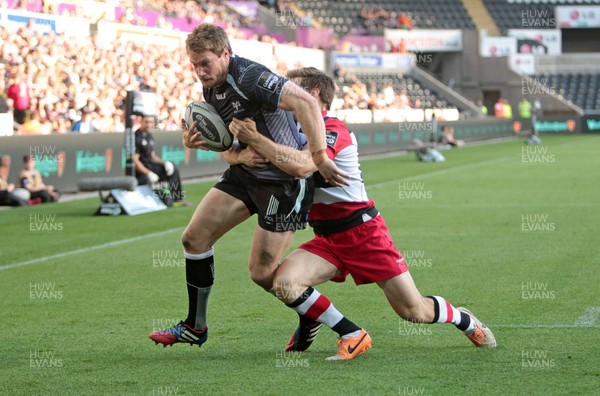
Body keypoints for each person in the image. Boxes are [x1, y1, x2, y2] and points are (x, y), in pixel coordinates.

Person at [228, 67, 496, 360]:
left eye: (293, 90)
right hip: (326, 238)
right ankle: (349, 332)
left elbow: (303, 165)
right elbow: (242, 156)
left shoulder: (332, 128)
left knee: (414, 311)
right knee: (285, 283)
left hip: (362, 232)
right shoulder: (289, 135)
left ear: (313, 94)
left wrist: (255, 140)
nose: (284, 97)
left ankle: (465, 320)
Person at [148, 24, 348, 348]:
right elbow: (228, 147)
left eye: (205, 63)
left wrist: (319, 156)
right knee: (193, 238)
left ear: (225, 54)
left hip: (282, 185)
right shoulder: (211, 88)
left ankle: (329, 320)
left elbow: (307, 104)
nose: (199, 72)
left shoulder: (251, 77)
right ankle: (195, 326)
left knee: (262, 274)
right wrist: (213, 148)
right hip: (246, 175)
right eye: (194, 65)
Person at [133, 114, 185, 205]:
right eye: (146, 122)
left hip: (151, 167)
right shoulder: (136, 137)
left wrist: (164, 163)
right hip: (141, 172)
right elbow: (135, 161)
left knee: (174, 169)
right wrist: (148, 173)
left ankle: (177, 199)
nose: (149, 125)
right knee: (162, 199)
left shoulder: (149, 135)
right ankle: (163, 198)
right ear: (140, 121)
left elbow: (152, 156)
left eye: (151, 122)